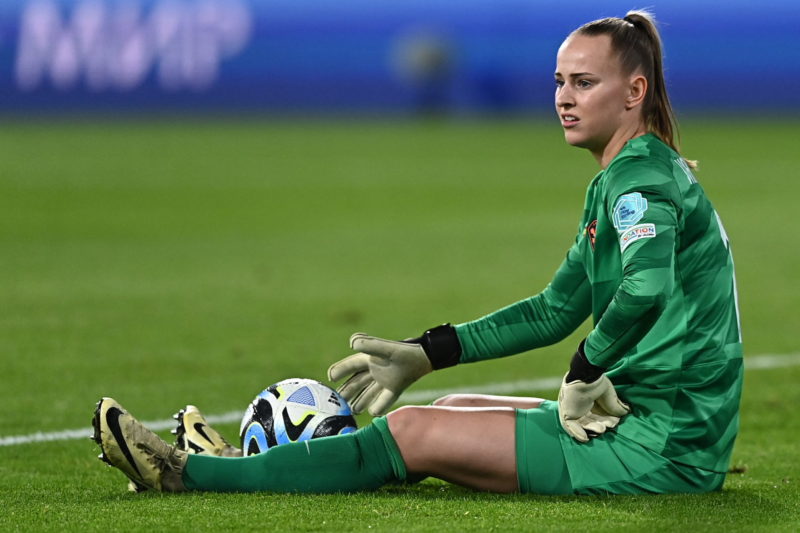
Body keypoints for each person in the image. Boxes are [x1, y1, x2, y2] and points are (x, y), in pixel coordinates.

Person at [93, 10, 742, 495]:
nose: (564, 98)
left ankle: (185, 472)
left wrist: (585, 366)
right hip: (652, 423)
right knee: (443, 413)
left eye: (583, 82)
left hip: (661, 447)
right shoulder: (630, 173)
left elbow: (646, 288)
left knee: (409, 434)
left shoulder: (642, 182)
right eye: (559, 81)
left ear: (634, 92)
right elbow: (552, 309)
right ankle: (263, 467)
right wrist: (427, 351)